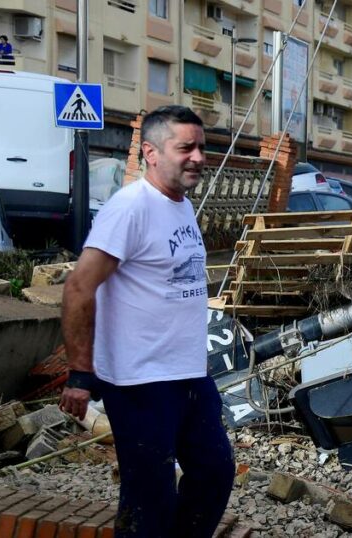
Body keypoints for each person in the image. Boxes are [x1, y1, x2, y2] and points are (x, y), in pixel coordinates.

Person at [59, 106, 234, 537]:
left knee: (214, 474)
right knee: (148, 497)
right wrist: (81, 374)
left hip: (188, 373)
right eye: (185, 148)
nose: (197, 157)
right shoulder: (130, 208)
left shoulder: (181, 205)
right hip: (140, 380)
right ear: (152, 153)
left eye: (202, 147)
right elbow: (79, 287)